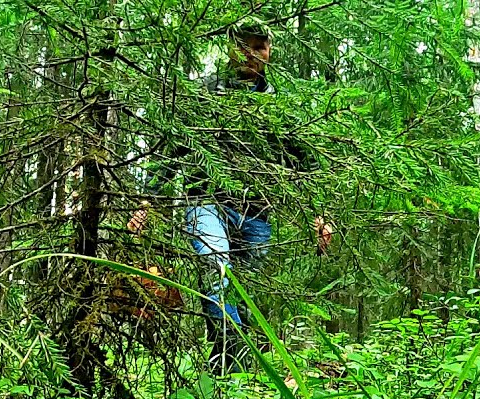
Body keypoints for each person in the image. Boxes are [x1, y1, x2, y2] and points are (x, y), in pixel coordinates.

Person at [128, 20, 332, 372]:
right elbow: (172, 149)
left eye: (259, 46)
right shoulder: (205, 93)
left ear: (269, 51)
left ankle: (226, 368)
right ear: (229, 47)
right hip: (205, 202)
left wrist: (320, 213)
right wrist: (147, 202)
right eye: (244, 45)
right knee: (216, 270)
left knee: (242, 292)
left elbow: (305, 162)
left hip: (256, 214)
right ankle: (236, 362)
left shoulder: (277, 105)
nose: (251, 54)